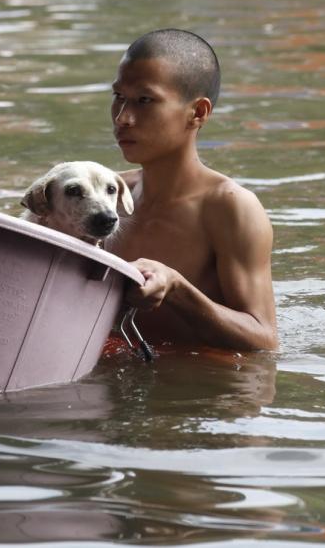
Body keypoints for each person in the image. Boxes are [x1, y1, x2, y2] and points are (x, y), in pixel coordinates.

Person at [106, 29, 278, 351]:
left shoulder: (229, 207)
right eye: (118, 97)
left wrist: (176, 288)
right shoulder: (108, 197)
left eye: (145, 100)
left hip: (202, 393)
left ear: (197, 113)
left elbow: (265, 340)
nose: (123, 117)